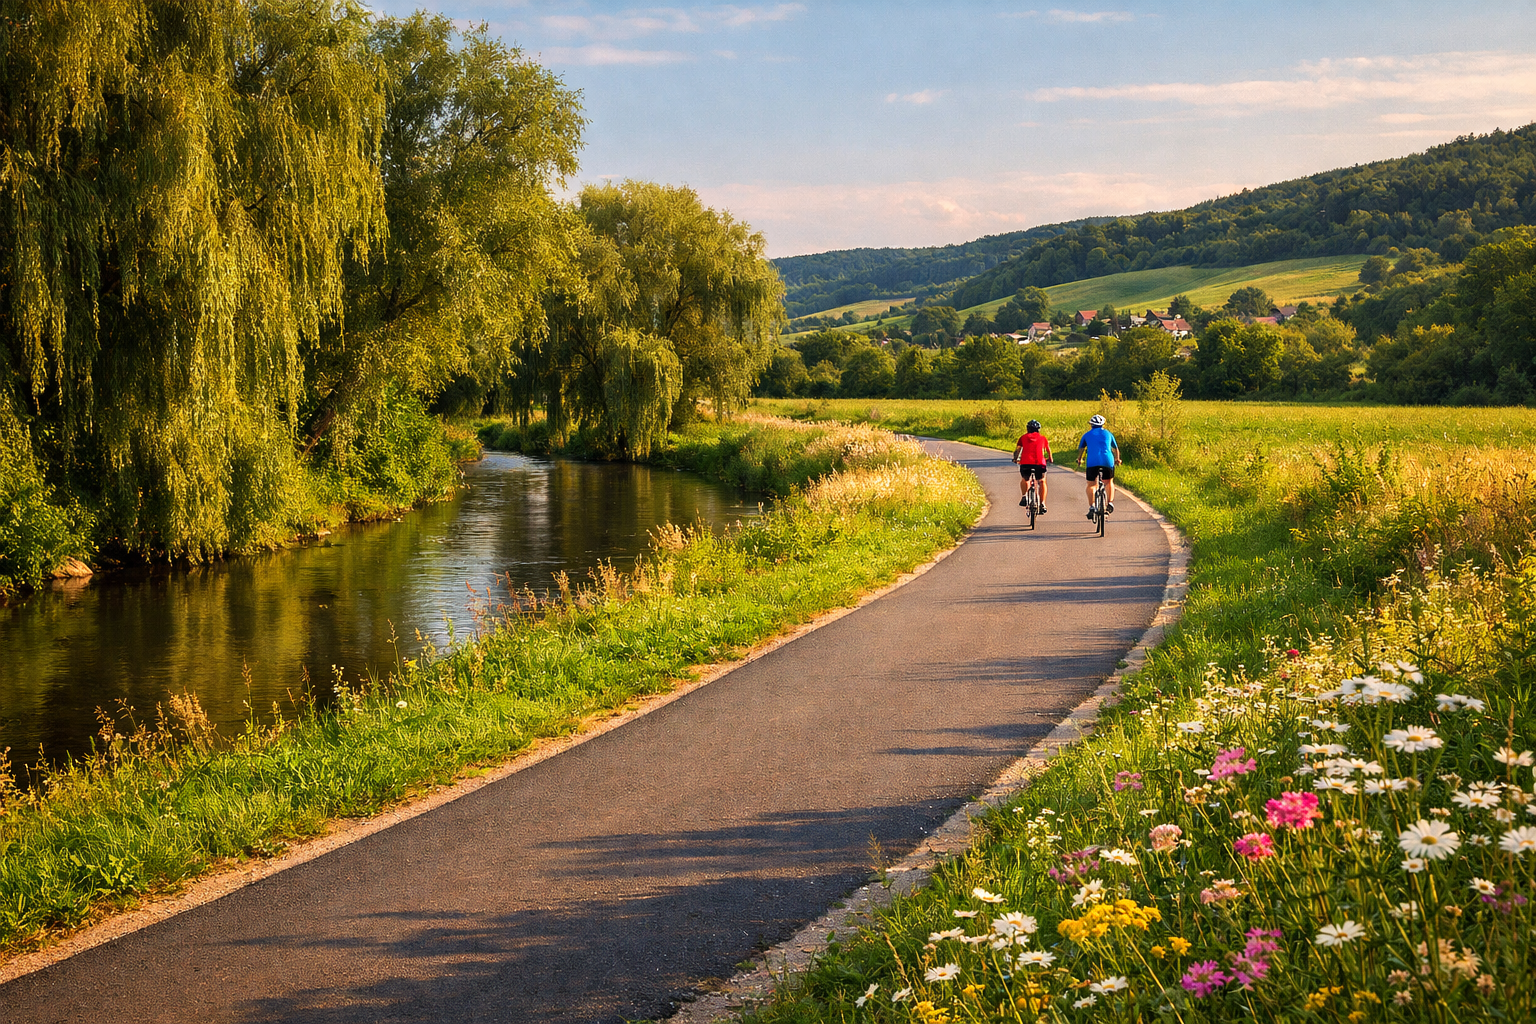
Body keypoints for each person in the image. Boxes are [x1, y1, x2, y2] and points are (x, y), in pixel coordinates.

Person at [1076, 413, 1119, 519]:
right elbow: (1116, 448)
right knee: (1109, 482)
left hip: (1092, 462)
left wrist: (1079, 459)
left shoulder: (1087, 435)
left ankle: (1092, 506)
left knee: (1091, 485)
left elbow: (1081, 449)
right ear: (1103, 424)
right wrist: (1117, 459)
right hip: (1107, 461)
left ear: (1091, 425)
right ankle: (1110, 502)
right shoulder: (1108, 434)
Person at [1011, 419, 1051, 512]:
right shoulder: (1043, 438)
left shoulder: (1023, 437)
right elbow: (1048, 450)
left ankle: (1024, 496)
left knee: (1025, 479)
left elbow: (1018, 450)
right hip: (1040, 463)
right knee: (1042, 481)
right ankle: (1042, 504)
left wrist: (1015, 459)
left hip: (1025, 463)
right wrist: (1050, 459)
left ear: (1027, 429)